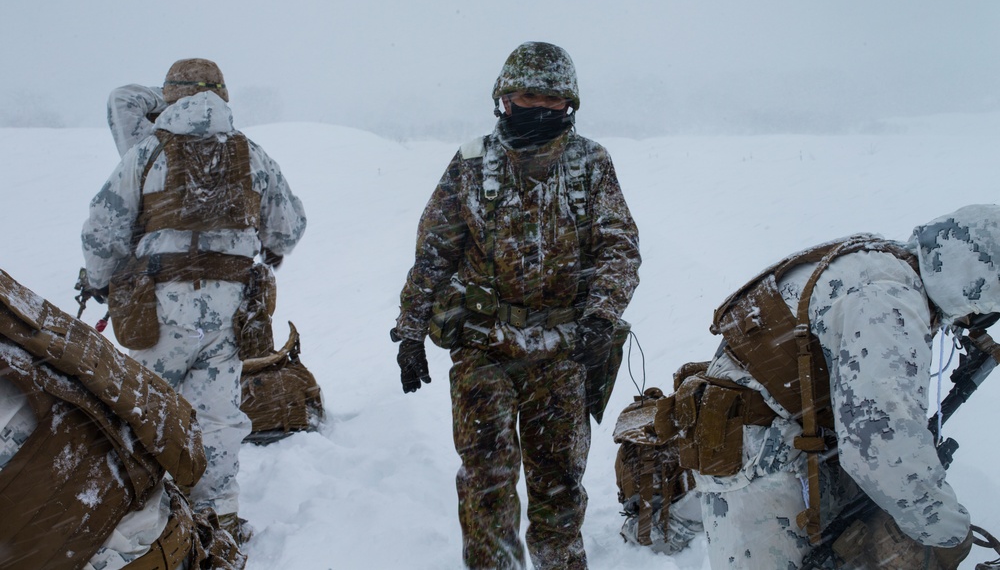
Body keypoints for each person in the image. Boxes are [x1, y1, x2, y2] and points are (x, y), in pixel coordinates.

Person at [392, 41, 641, 570]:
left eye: (553, 100)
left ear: (569, 104)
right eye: (529, 95)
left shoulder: (591, 163)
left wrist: (602, 314)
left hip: (564, 352)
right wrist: (410, 330)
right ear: (504, 98)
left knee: (559, 489)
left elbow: (619, 245)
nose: (541, 108)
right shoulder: (470, 164)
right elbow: (435, 251)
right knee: (487, 481)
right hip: (486, 347)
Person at [678, 205, 998, 569]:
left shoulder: (878, 260)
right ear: (974, 279)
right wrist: (949, 532)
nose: (974, 320)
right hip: (757, 454)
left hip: (766, 435)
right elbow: (882, 447)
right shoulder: (887, 300)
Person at [81, 58, 307, 541]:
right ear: (224, 96)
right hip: (229, 313)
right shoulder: (253, 155)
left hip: (155, 309)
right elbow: (289, 227)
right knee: (219, 417)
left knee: (143, 411)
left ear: (168, 98)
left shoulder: (145, 152)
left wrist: (100, 279)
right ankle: (219, 516)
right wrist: (267, 246)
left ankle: (146, 517)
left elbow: (103, 230)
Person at [0, 266, 243, 570]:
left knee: (147, 419)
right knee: (174, 419)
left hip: (161, 297)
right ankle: (219, 509)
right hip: (227, 292)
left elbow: (110, 223)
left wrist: (103, 279)